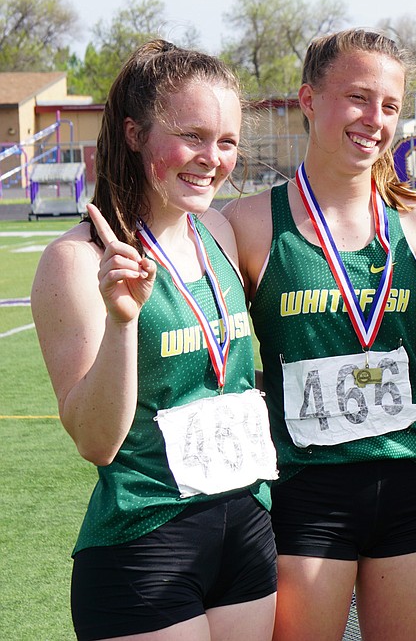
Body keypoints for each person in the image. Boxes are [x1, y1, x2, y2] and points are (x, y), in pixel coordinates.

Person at [225, 28, 416, 641]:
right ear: (309, 100)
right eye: (359, 98)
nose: (375, 119)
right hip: (304, 489)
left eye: (390, 106)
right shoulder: (251, 224)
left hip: (410, 479)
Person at [30, 40, 278, 641]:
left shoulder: (218, 229)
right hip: (147, 542)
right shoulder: (76, 261)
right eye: (192, 135)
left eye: (227, 141)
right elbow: (95, 440)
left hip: (248, 529)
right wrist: (121, 323)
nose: (212, 159)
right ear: (135, 133)